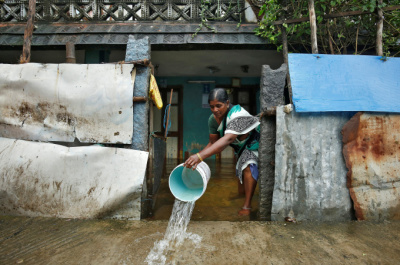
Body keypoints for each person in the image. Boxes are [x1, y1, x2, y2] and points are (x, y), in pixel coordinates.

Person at [183, 88, 260, 216]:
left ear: (227, 103)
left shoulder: (237, 114)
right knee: (239, 171)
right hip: (239, 146)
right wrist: (197, 158)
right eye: (211, 107)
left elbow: (229, 138)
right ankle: (241, 195)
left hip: (254, 142)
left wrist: (199, 156)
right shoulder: (212, 120)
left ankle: (247, 206)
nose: (215, 110)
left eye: (218, 106)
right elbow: (213, 142)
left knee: (248, 167)